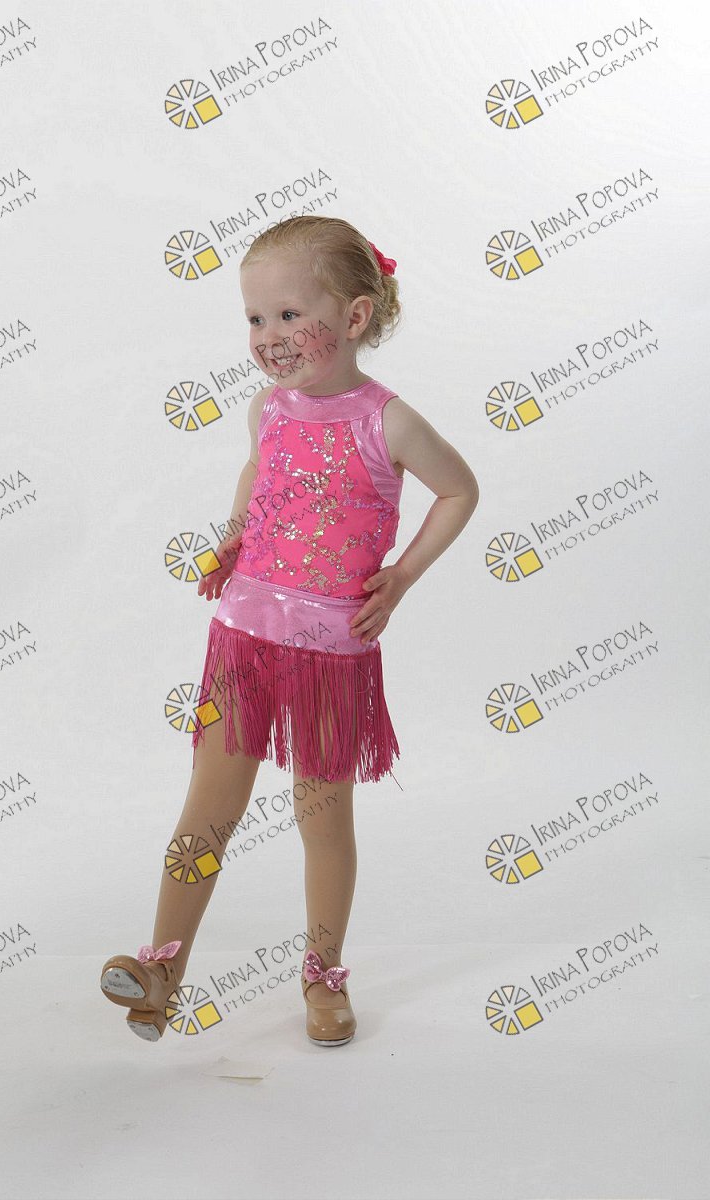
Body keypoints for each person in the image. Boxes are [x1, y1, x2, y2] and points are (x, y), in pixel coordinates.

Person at [100, 215, 480, 1046]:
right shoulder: (267, 408)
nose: (267, 336)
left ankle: (323, 974)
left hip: (330, 651)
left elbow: (460, 490)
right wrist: (237, 534)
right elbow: (258, 470)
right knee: (208, 802)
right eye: (253, 318)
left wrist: (402, 576)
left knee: (322, 813)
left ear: (354, 317)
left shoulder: (388, 421)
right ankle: (162, 968)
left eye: (287, 315)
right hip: (243, 632)